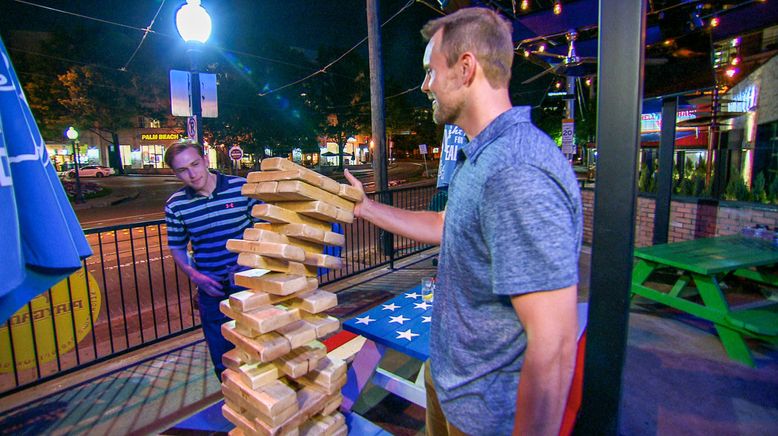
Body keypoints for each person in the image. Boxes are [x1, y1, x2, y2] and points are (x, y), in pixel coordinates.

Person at [344, 7, 583, 435]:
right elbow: (444, 223)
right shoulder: (482, 156)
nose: (424, 86)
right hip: (450, 382)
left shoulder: (517, 170)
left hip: (485, 413)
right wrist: (365, 208)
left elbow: (554, 344)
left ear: (466, 68)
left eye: (430, 71)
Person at [164, 141, 258, 380]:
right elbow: (176, 246)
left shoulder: (241, 187)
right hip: (211, 287)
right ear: (175, 173)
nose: (192, 174)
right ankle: (236, 406)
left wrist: (252, 258)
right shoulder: (176, 205)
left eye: (195, 164)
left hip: (250, 282)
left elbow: (265, 227)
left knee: (260, 346)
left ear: (205, 160)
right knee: (223, 357)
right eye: (183, 170)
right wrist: (195, 276)